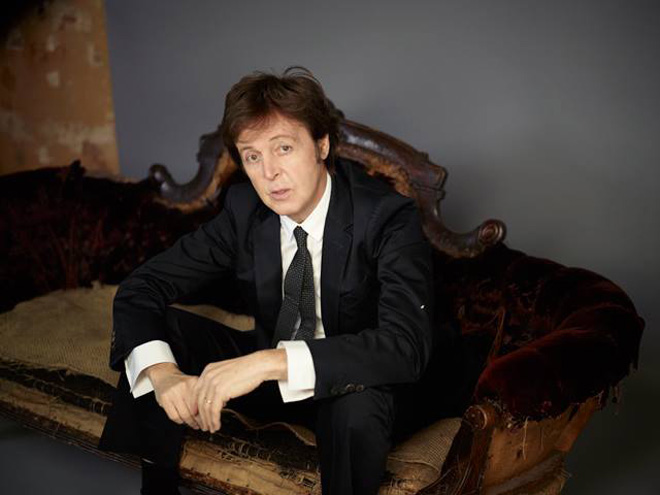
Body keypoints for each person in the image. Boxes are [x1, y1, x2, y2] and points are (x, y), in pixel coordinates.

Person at [98, 66, 434, 495]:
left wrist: (264, 363)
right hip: (276, 380)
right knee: (160, 335)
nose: (269, 172)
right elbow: (141, 288)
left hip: (354, 381)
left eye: (284, 148)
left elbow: (404, 346)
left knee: (356, 406)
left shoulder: (386, 217)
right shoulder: (245, 210)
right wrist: (164, 376)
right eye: (252, 156)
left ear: (322, 145)